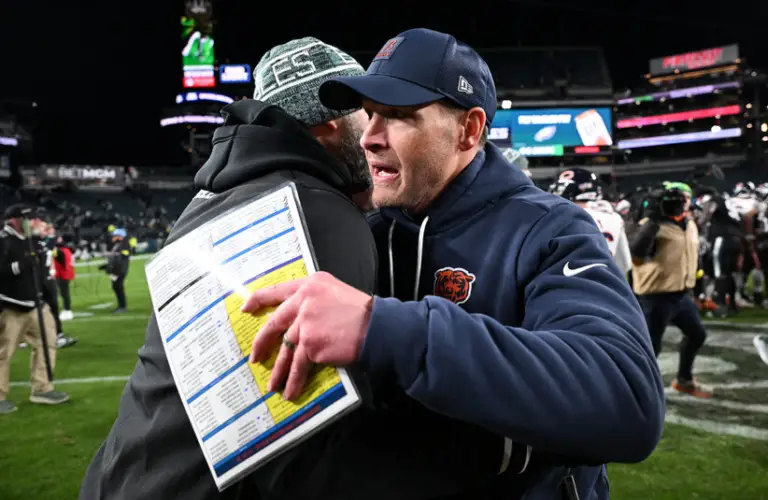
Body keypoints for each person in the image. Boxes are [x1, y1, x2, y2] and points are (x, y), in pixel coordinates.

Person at [243, 28, 665, 500]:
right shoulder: (364, 229)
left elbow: (627, 399)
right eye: (370, 115)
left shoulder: (550, 229)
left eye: (400, 117)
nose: (371, 138)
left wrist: (380, 329)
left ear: (468, 129)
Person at [79, 37, 379, 500]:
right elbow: (310, 445)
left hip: (124, 472)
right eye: (367, 113)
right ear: (332, 125)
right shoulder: (314, 211)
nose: (376, 131)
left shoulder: (210, 201)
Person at [630, 183, 713, 398]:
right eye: (677, 199)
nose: (682, 203)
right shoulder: (648, 224)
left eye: (684, 198)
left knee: (697, 335)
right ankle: (635, 392)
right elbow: (636, 253)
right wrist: (653, 221)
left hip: (681, 295)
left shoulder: (690, 224)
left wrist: (700, 290)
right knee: (649, 348)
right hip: (655, 297)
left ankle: (683, 380)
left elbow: (695, 259)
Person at [0, 205, 70, 414]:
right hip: (11, 306)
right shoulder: (3, 241)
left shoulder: (35, 241)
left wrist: (49, 302)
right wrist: (20, 265)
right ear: (14, 221)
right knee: (4, 352)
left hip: (37, 305)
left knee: (48, 343)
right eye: (29, 219)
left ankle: (42, 388)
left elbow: (42, 276)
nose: (34, 222)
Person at [549, 168, 632, 275]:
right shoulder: (614, 217)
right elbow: (625, 264)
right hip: (607, 284)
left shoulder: (561, 218)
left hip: (568, 284)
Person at [98, 228, 130, 313]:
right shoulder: (117, 246)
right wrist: (105, 266)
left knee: (118, 287)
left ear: (120, 236)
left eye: (115, 236)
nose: (113, 237)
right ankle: (121, 306)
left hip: (119, 271)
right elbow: (114, 258)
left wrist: (110, 256)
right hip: (116, 270)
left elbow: (121, 258)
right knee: (116, 287)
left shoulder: (124, 245)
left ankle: (122, 307)